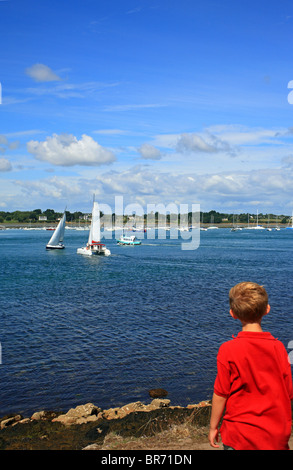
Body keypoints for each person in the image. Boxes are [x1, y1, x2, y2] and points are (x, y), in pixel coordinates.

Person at [208, 281, 293, 450]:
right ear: (267, 309)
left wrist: (213, 427)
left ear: (233, 313)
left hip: (240, 433)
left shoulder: (228, 350)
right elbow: (288, 391)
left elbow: (221, 393)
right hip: (275, 433)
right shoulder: (278, 348)